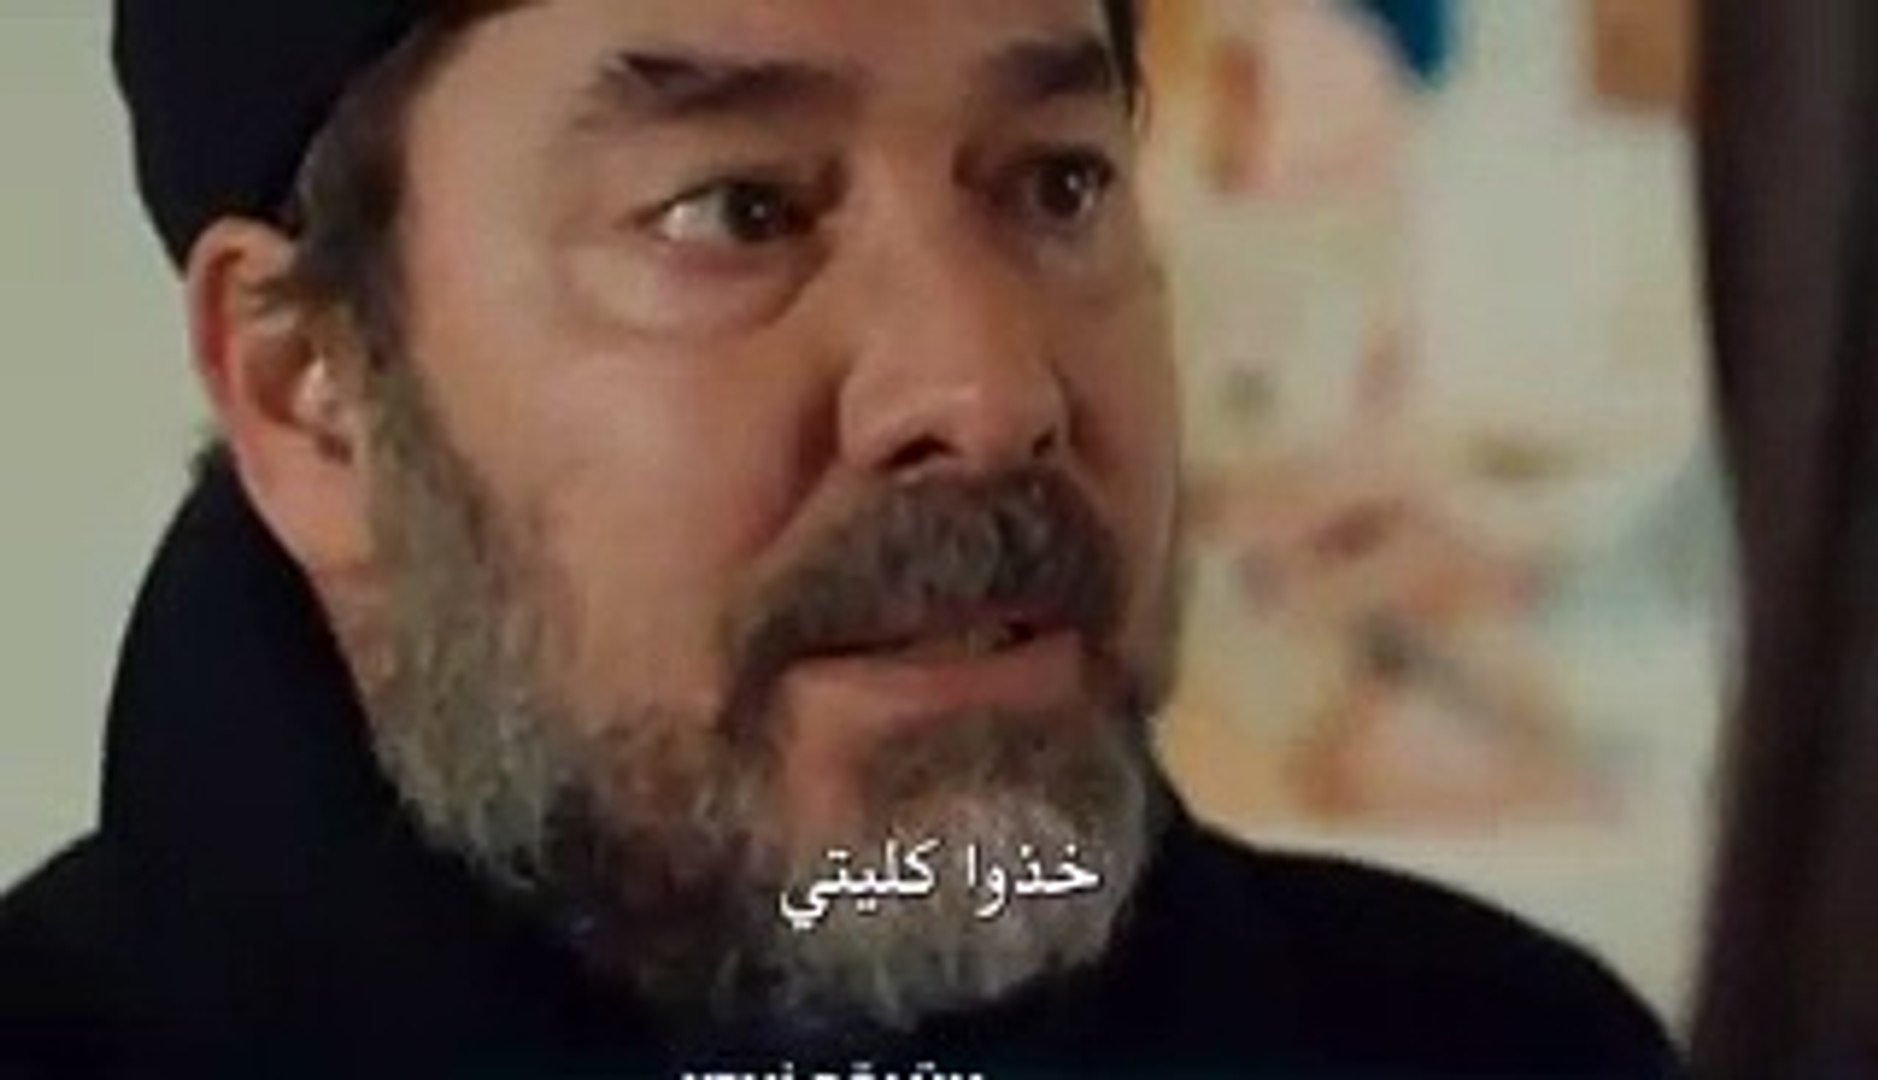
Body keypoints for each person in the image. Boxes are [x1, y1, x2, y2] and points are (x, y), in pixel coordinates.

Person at [0, 1, 1678, 1075]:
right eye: (735, 209)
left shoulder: (1493, 1049)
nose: (988, 390)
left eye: (1056, 184)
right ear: (313, 392)